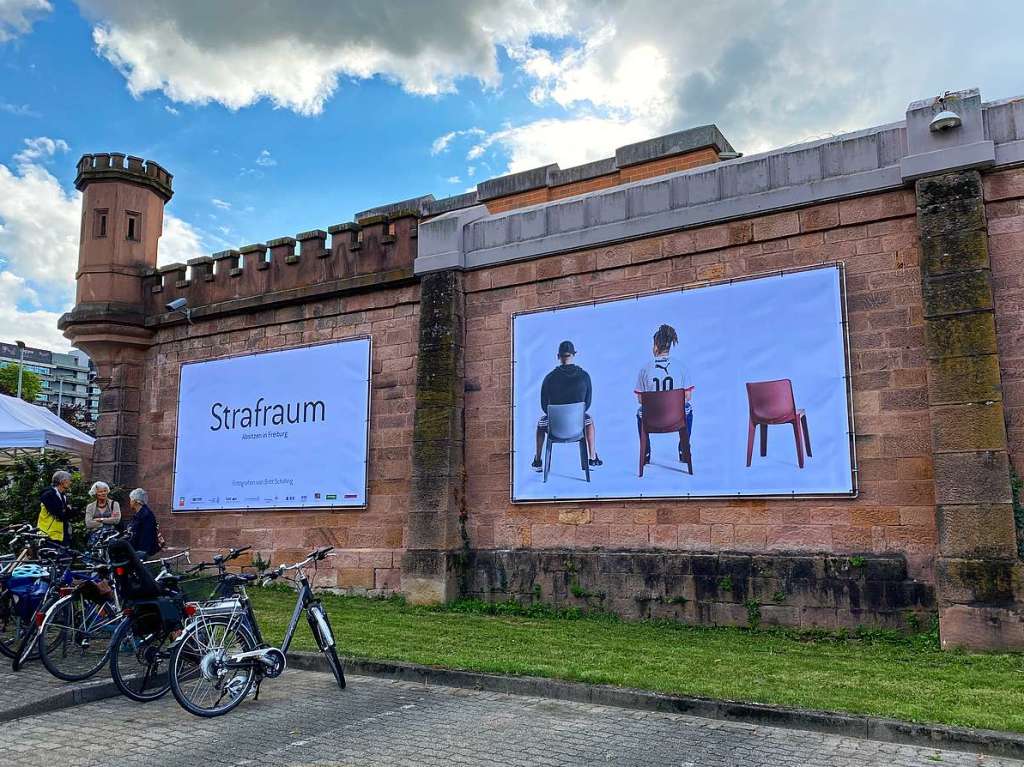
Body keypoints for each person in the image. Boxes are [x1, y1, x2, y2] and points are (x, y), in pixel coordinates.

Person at [531, 340, 602, 471]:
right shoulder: (584, 376)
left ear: (558, 356)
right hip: (577, 426)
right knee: (589, 420)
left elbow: (543, 406)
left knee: (541, 424)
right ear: (573, 355)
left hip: (554, 427)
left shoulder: (549, 378)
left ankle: (538, 461)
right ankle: (592, 458)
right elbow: (588, 403)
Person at [635, 324, 693, 465]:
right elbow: (687, 396)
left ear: (655, 346)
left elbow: (640, 399)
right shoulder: (681, 367)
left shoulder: (645, 368)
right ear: (669, 346)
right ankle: (684, 449)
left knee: (639, 412)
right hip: (676, 419)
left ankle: (646, 452)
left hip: (651, 419)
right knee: (688, 408)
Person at [38, 470, 76, 542]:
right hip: (47, 534)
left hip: (61, 534)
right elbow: (59, 514)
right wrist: (67, 510)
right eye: (69, 481)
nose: (70, 483)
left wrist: (67, 510)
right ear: (63, 481)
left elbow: (67, 514)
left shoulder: (63, 496)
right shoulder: (48, 494)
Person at [85, 481, 121, 547]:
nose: (103, 493)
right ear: (95, 493)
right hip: (95, 537)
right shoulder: (90, 507)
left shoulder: (114, 504)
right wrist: (104, 523)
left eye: (105, 491)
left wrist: (100, 519)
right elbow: (88, 523)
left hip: (110, 536)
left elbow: (116, 520)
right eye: (100, 492)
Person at [127, 488, 159, 558]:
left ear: (136, 501)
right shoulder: (140, 513)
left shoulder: (145, 514)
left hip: (142, 551)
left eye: (131, 499)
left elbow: (146, 535)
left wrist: (142, 552)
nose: (130, 502)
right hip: (138, 550)